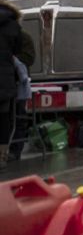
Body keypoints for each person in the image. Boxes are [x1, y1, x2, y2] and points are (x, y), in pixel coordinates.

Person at [0, 0, 23, 170]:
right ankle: (2, 155)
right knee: (4, 119)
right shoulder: (13, 24)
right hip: (5, 79)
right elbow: (17, 50)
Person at [9, 31, 35, 162]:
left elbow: (29, 58)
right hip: (8, 83)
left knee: (18, 118)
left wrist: (11, 59)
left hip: (18, 84)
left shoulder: (23, 37)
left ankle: (15, 150)